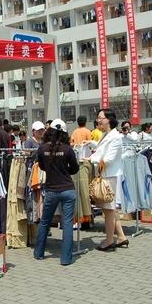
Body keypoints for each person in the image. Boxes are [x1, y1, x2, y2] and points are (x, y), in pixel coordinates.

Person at [34, 119, 79, 265]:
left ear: (49, 131)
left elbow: (42, 166)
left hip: (51, 190)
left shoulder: (42, 149)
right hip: (68, 189)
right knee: (67, 223)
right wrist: (65, 171)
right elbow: (75, 168)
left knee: (45, 221)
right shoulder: (67, 149)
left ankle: (39, 253)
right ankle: (65, 259)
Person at [90, 108, 129, 251]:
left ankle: (109, 240)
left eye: (101, 118)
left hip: (109, 176)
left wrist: (90, 159)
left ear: (109, 120)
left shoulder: (115, 137)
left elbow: (108, 158)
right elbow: (101, 151)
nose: (98, 120)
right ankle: (121, 237)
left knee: (109, 210)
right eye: (98, 118)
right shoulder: (106, 135)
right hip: (106, 175)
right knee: (110, 209)